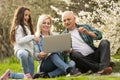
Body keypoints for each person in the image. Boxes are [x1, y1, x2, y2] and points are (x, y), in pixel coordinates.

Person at [32, 14, 80, 79]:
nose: (46, 25)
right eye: (44, 23)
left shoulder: (55, 35)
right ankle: (69, 70)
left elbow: (64, 56)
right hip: (45, 65)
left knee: (72, 63)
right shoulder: (36, 38)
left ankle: (47, 75)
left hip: (58, 63)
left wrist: (66, 51)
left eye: (48, 23)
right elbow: (35, 56)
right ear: (40, 24)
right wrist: (40, 55)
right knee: (52, 54)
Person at [0, 6, 39, 80]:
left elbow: (29, 41)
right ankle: (26, 75)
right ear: (20, 15)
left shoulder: (27, 27)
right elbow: (19, 41)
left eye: (28, 15)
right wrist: (32, 37)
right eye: (25, 15)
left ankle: (10, 75)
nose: (27, 17)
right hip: (21, 50)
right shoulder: (18, 27)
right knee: (23, 54)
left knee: (31, 76)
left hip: (29, 53)